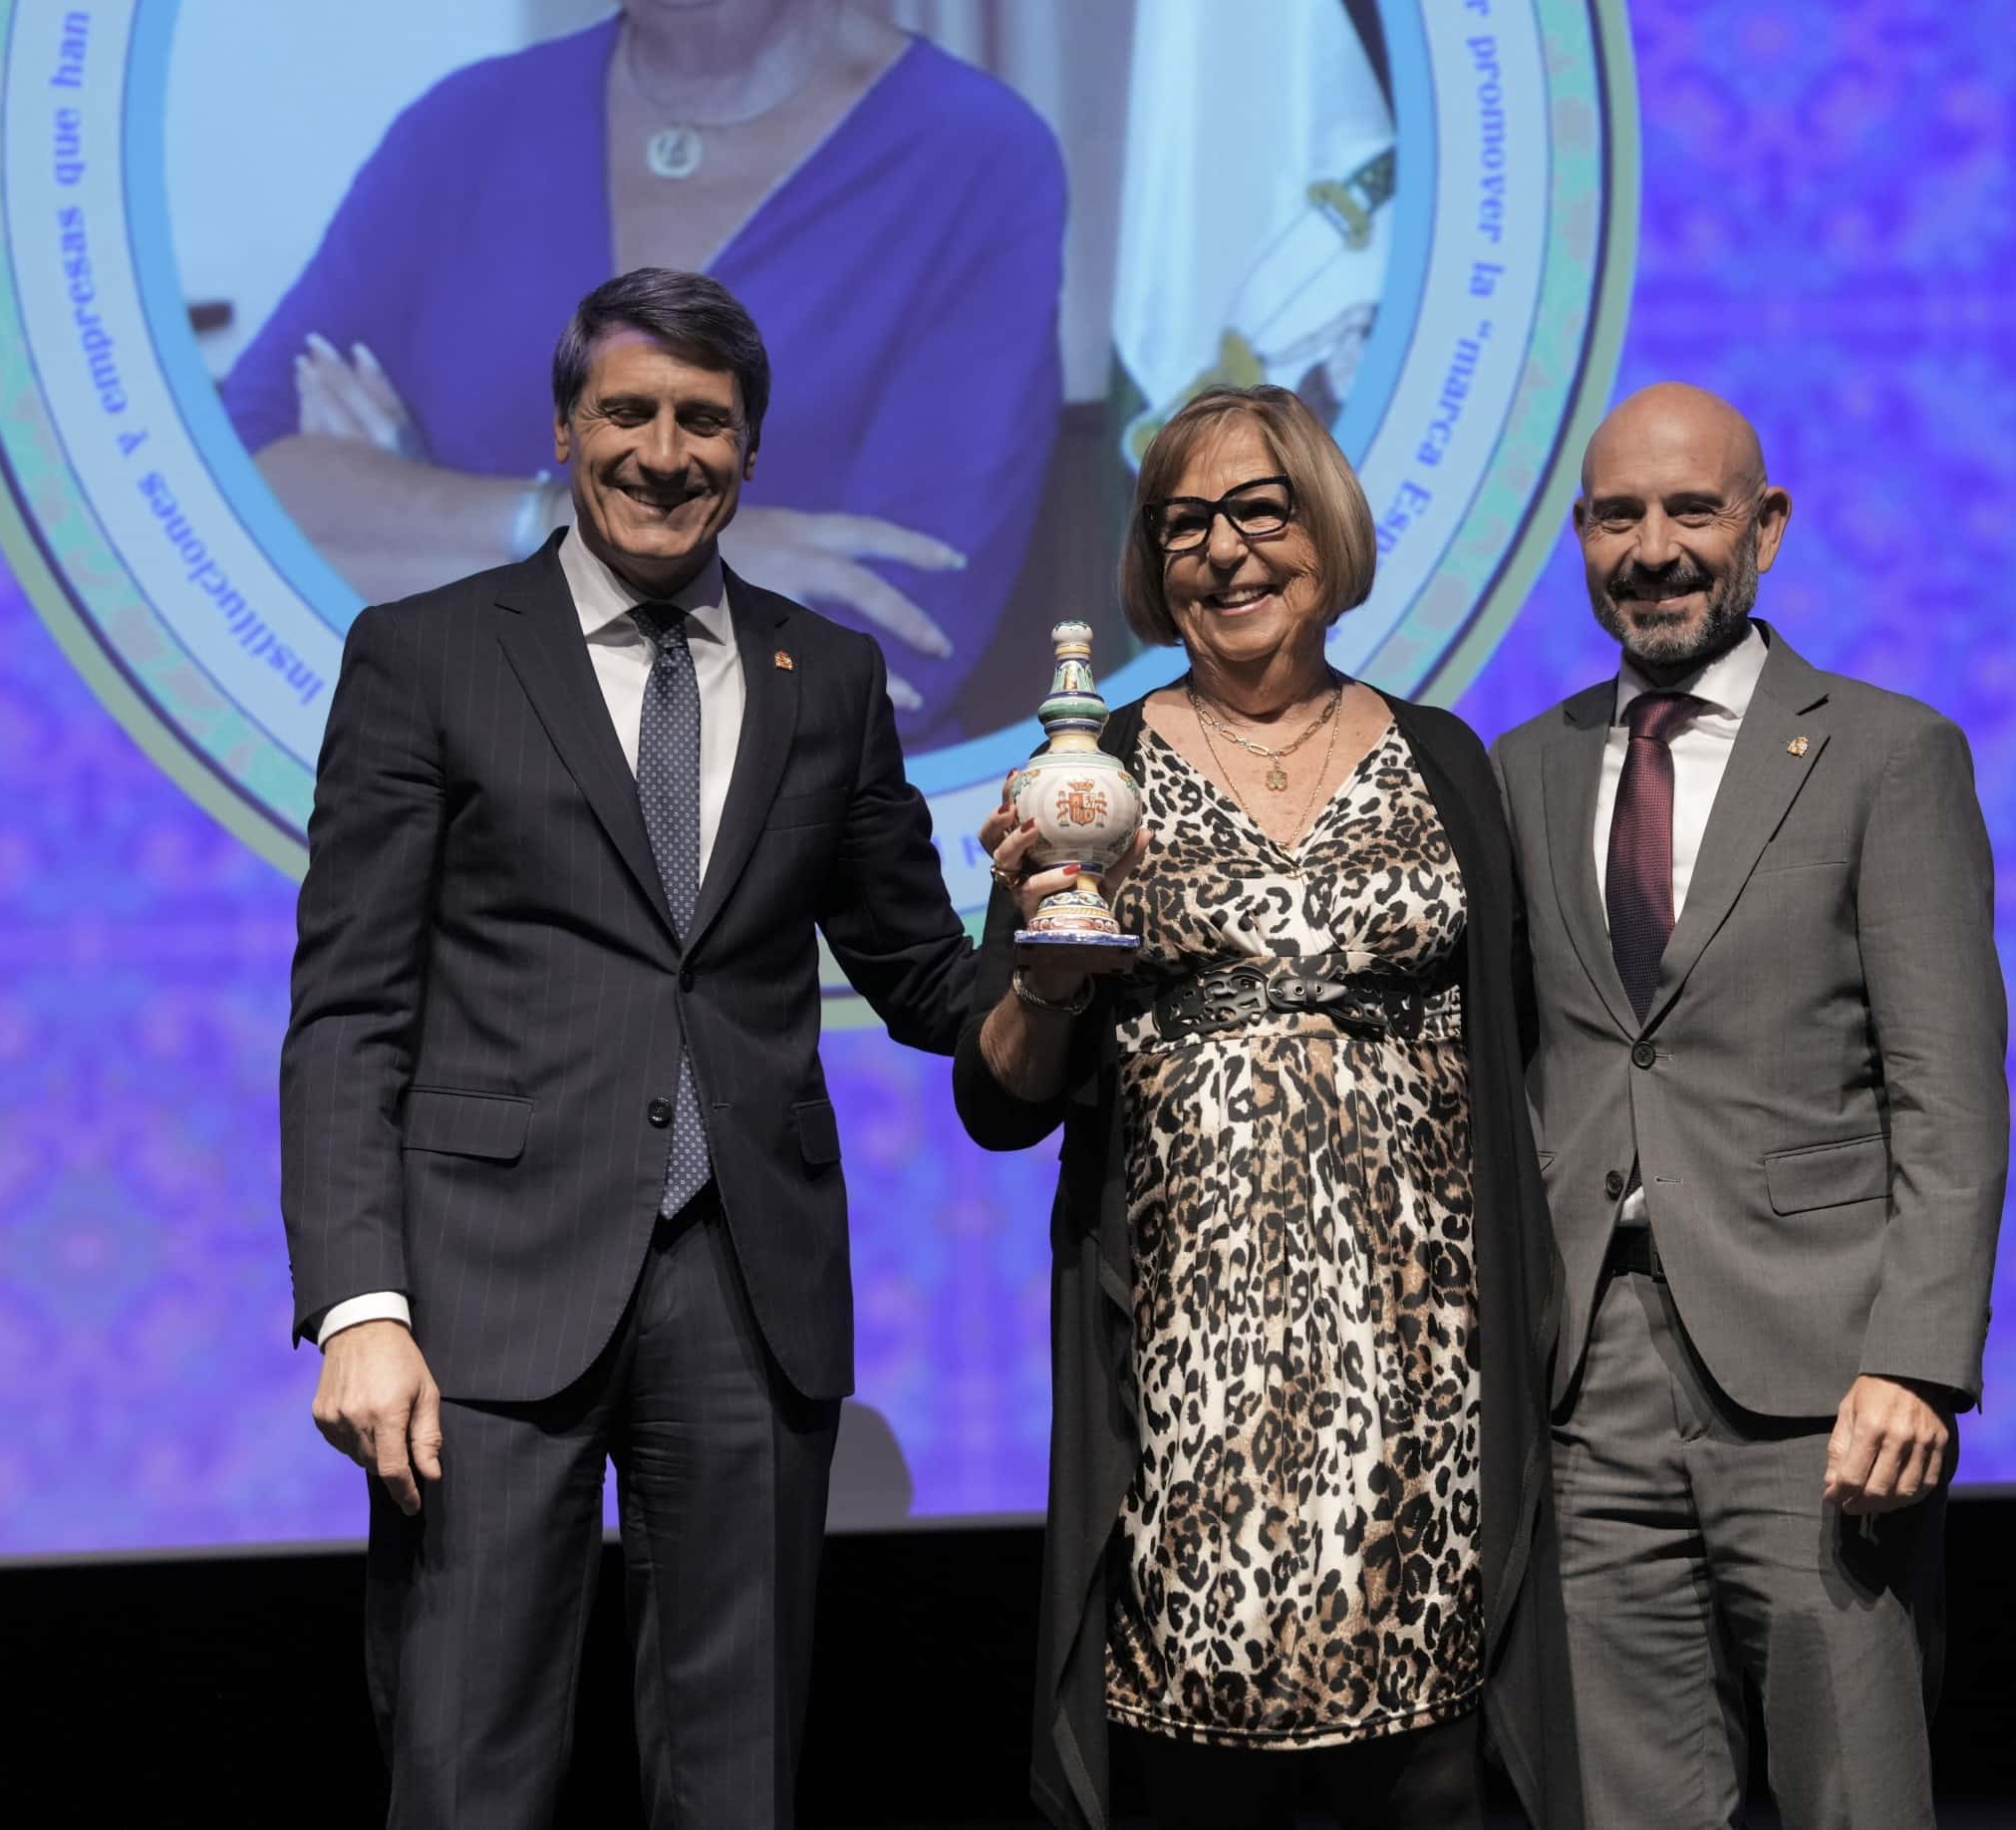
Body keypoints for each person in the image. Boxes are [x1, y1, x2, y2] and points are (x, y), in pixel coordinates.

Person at [278, 267, 973, 1828]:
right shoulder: (424, 655)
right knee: (466, 1772)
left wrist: (1069, 948)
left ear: (750, 449)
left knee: (740, 1786)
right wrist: (356, 1306)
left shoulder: (827, 675)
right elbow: (349, 1010)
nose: (666, 453)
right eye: (630, 413)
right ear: (564, 430)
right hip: (480, 1304)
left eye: (705, 422)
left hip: (750, 1295)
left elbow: (926, 977)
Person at [956, 385, 1580, 1830]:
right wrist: (1046, 981)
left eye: (1257, 510)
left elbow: (1526, 1047)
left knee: (1428, 1770)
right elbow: (997, 1101)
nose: (1222, 552)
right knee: (1195, 1763)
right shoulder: (1085, 772)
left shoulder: (1442, 762)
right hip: (1187, 1370)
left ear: (1327, 530)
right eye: (1183, 525)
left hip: (1421, 1368)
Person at [1493, 382, 2008, 1827]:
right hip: (1586, 1392)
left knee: (1853, 1791)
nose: (1651, 549)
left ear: (1763, 529)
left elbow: (1948, 1096)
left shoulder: (1883, 754)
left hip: (1822, 1395)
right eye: (1615, 517)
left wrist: (1918, 1361)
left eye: (1690, 511)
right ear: (1579, 541)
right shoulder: (1522, 769)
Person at [220, 0, 1064, 737]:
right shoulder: (464, 126)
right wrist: (567, 529)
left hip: (791, 868)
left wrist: (402, 517)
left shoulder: (975, 154)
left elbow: (889, 651)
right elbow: (236, 510)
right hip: (449, 830)